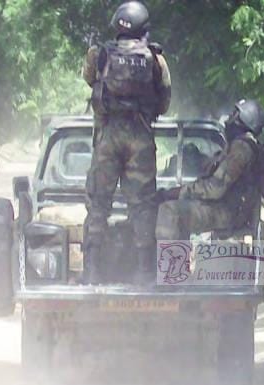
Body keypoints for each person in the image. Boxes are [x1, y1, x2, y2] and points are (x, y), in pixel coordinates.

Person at [82, 1, 172, 284]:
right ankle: (145, 271)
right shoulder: (156, 59)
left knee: (99, 202)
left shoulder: (99, 53)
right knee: (143, 204)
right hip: (141, 137)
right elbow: (165, 101)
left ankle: (92, 270)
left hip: (108, 135)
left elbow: (89, 80)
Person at [155, 99, 264, 241]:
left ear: (244, 120)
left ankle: (172, 263)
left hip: (227, 212)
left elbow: (215, 189)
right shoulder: (245, 146)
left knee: (170, 212)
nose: (229, 119)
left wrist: (177, 192)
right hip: (229, 208)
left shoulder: (241, 149)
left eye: (235, 114)